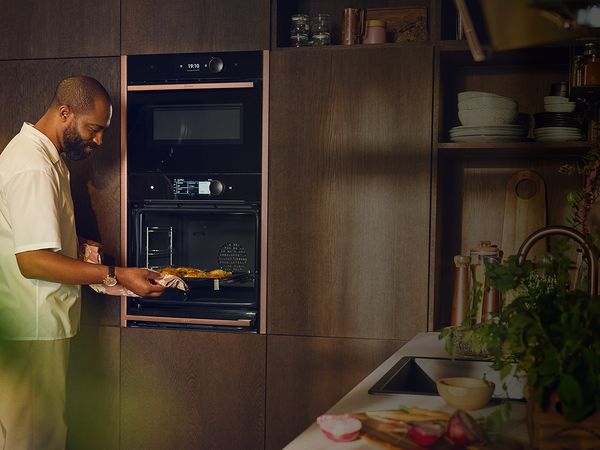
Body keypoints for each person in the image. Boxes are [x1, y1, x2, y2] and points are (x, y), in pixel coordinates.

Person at [0, 75, 166, 449]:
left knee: (40, 434)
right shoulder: (34, 168)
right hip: (32, 327)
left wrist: (76, 246)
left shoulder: (43, 158)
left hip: (37, 325)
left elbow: (30, 241)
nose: (99, 140)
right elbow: (32, 261)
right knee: (34, 439)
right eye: (94, 129)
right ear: (64, 113)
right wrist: (115, 274)